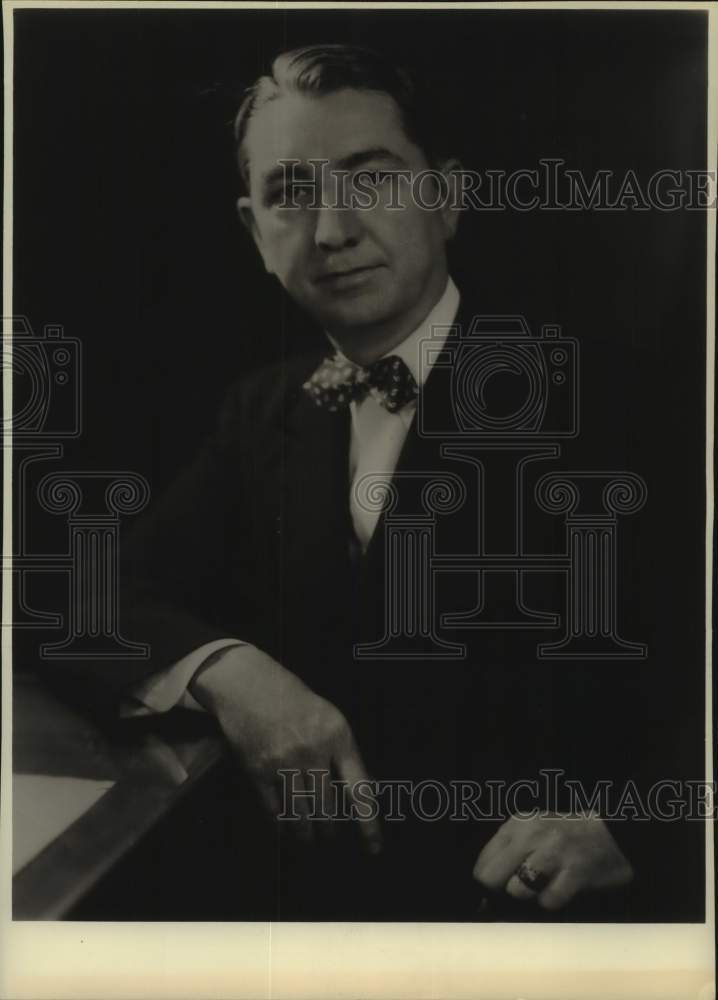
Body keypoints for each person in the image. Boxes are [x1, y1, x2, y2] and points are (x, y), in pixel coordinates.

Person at [66, 44, 687, 921]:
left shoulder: (623, 394)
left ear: (449, 197)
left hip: (550, 931)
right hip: (312, 921)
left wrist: (637, 828)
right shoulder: (263, 410)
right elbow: (90, 594)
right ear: (252, 232)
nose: (330, 230)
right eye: (291, 193)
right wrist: (232, 673)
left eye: (372, 178)